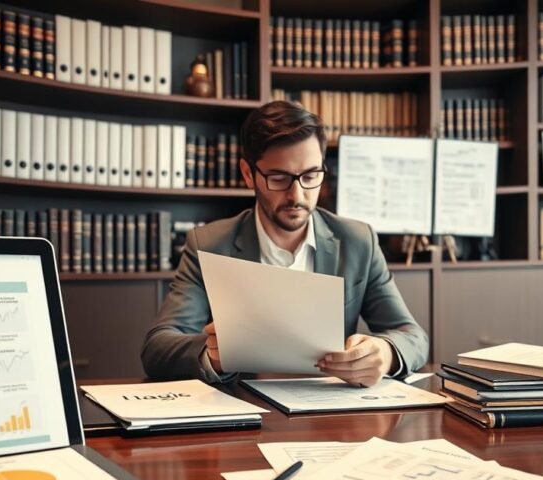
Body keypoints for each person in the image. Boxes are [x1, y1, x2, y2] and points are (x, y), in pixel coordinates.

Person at [141, 101, 428, 386]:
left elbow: (412, 336)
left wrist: (385, 352)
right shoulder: (208, 244)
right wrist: (214, 356)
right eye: (279, 178)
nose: (297, 195)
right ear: (247, 174)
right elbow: (158, 347)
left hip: (332, 411)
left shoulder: (358, 242)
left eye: (311, 176)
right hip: (246, 410)